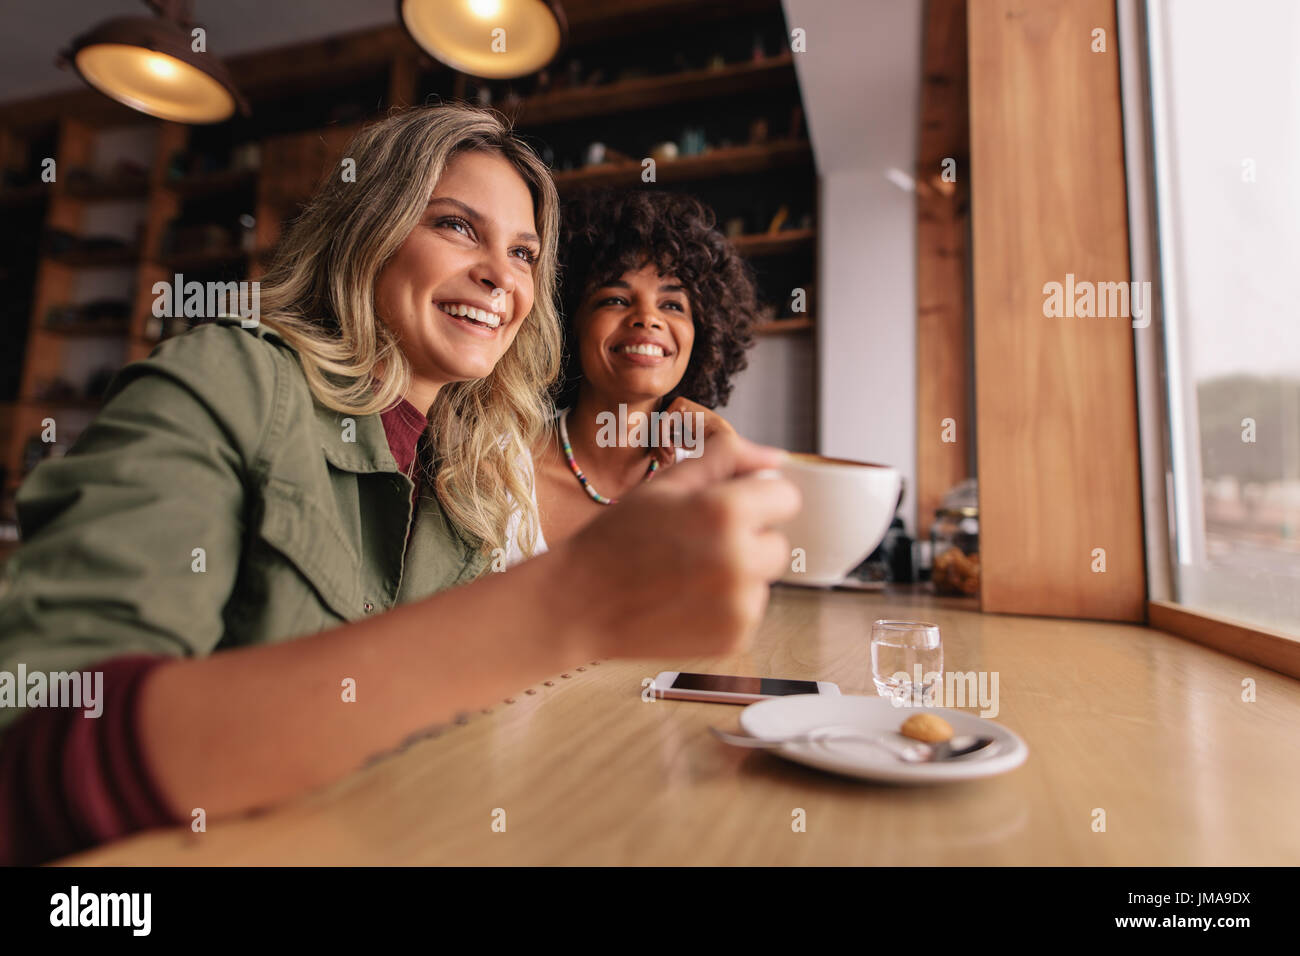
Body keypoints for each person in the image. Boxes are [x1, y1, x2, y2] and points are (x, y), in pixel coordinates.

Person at [0, 105, 800, 865]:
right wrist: (572, 600)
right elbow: (33, 746)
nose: (500, 276)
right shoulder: (229, 381)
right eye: (456, 226)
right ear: (367, 229)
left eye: (524, 254)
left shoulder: (473, 470)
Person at [507, 190, 760, 561]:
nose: (648, 318)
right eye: (615, 299)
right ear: (569, 323)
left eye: (672, 305)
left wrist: (729, 453)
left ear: (702, 336)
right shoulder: (498, 462)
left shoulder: (712, 475)